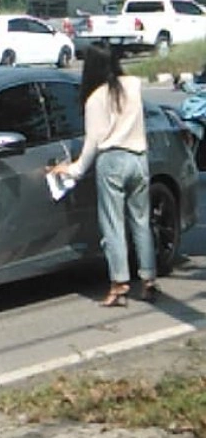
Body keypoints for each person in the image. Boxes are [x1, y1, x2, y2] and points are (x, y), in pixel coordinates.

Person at [51, 44, 158, 308]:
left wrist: (73, 170)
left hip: (112, 161)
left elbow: (93, 142)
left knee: (113, 224)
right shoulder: (133, 86)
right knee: (141, 222)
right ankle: (148, 279)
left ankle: (119, 284)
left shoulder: (96, 98)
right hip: (139, 158)